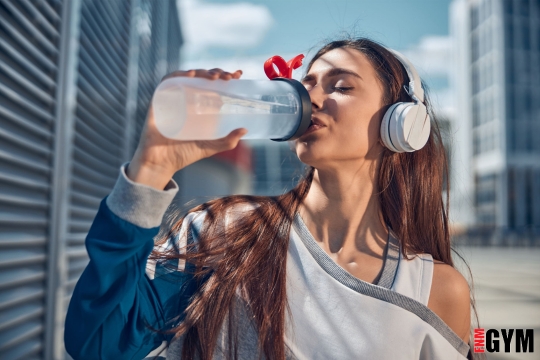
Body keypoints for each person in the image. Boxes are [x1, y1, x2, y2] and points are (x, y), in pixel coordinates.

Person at [65, 38, 473, 360]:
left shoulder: (436, 289)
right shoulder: (222, 233)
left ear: (401, 125)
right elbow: (100, 343)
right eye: (306, 83)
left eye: (341, 86)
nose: (310, 98)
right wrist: (151, 170)